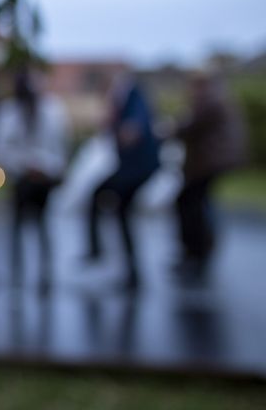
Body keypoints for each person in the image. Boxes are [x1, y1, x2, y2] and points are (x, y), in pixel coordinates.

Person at [0, 70, 70, 291]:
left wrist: (45, 168)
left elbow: (59, 147)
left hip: (42, 180)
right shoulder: (9, 113)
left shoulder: (51, 110)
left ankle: (45, 273)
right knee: (17, 227)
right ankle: (18, 272)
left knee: (42, 226)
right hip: (21, 179)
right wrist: (24, 166)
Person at [85, 73, 160, 289]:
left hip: (137, 169)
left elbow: (132, 132)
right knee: (121, 213)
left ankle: (97, 251)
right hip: (132, 168)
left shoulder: (133, 96)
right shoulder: (129, 98)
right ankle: (132, 273)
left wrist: (113, 124)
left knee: (100, 196)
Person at [172, 73, 245, 284]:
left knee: (192, 202)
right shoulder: (217, 97)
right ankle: (198, 252)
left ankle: (198, 253)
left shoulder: (209, 100)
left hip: (209, 161)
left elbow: (189, 126)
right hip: (213, 160)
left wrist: (171, 128)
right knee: (198, 201)